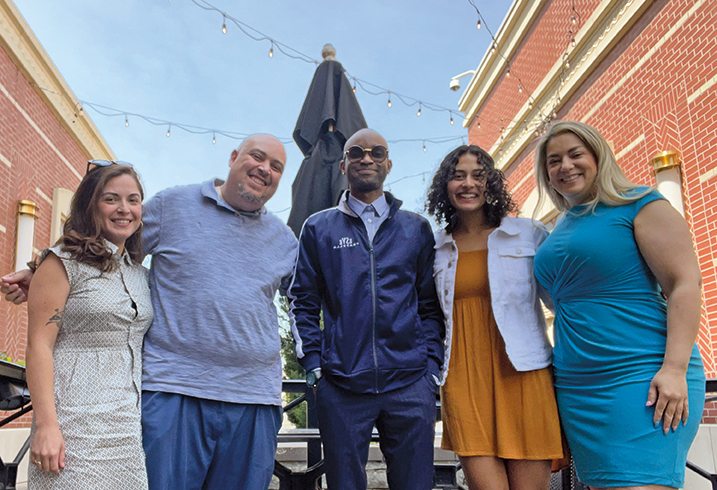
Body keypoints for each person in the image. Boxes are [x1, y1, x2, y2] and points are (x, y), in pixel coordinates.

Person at [3, 134, 299, 490]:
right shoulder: (173, 204)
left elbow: (310, 301)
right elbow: (104, 240)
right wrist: (42, 268)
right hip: (174, 390)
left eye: (276, 167)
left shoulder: (285, 240)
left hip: (254, 397)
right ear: (235, 157)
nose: (264, 169)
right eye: (257, 157)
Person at [532, 121, 705, 489]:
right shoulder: (561, 226)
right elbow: (559, 297)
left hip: (642, 376)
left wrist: (674, 369)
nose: (565, 166)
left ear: (599, 156)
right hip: (578, 388)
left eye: (576, 154)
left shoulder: (639, 204)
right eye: (554, 160)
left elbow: (684, 284)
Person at [289, 128, 445, 490]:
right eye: (356, 152)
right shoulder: (319, 227)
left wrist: (431, 367)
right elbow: (303, 299)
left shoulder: (416, 229)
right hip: (342, 384)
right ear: (343, 164)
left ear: (388, 164)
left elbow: (429, 304)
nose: (366, 158)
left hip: (409, 382)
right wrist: (313, 363)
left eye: (377, 152)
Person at [425, 145, 562, 490]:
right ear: (445, 186)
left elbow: (564, 303)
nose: (468, 183)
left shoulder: (529, 234)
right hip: (463, 380)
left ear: (491, 184)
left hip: (525, 375)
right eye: (457, 176)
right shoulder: (435, 248)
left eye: (477, 175)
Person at [25, 162, 151, 489]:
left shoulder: (139, 273)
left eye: (133, 200)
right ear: (90, 205)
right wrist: (46, 426)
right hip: (72, 426)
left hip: (125, 428)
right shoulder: (62, 261)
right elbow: (39, 345)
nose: (124, 209)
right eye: (111, 199)